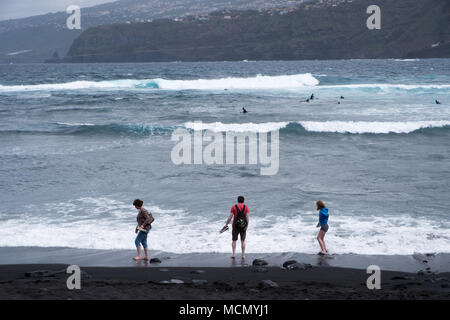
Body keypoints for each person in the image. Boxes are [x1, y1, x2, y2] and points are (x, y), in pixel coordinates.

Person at [224, 196, 249, 260]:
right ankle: (243, 255)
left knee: (234, 240)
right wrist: (247, 226)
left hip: (235, 226)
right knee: (243, 241)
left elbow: (230, 217)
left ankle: (234, 254)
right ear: (243, 200)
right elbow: (247, 217)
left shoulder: (234, 207)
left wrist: (226, 224)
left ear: (237, 200)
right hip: (243, 226)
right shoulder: (246, 207)